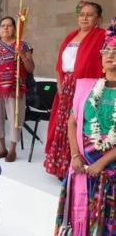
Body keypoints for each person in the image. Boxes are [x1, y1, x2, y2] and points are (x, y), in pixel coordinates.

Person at [55, 21, 116, 236]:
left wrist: (102, 162)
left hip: (110, 171)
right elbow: (73, 122)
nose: (111, 55)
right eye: (107, 50)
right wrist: (74, 155)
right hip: (82, 165)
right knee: (79, 222)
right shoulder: (86, 87)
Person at [45, 1, 106, 179]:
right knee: (64, 124)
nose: (84, 17)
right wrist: (59, 82)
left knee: (81, 123)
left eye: (90, 14)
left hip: (88, 86)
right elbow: (60, 64)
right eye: (82, 14)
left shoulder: (102, 36)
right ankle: (62, 165)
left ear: (99, 19)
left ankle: (83, 162)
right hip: (67, 86)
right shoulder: (70, 36)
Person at [0, 16, 35, 162]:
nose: (5, 28)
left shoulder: (22, 45)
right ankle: (2, 148)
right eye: (3, 25)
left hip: (15, 88)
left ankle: (13, 150)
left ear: (15, 29)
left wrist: (22, 54)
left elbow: (30, 68)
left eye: (9, 25)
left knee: (15, 118)